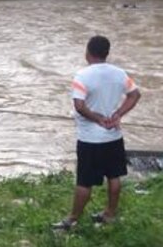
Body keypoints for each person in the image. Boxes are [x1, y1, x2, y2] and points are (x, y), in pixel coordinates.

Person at [52, 35, 141, 230]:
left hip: (90, 139)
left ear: (87, 52)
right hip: (114, 136)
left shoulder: (82, 76)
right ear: (107, 53)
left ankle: (73, 219)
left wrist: (97, 119)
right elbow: (135, 95)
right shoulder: (119, 73)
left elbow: (79, 105)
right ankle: (110, 214)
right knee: (114, 176)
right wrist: (118, 114)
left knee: (84, 182)